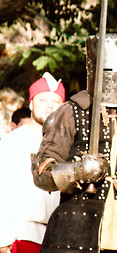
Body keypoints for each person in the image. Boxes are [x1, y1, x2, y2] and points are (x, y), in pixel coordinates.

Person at [31, 34, 117, 252]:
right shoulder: (71, 112)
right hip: (74, 231)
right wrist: (78, 171)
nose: (113, 77)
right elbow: (42, 174)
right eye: (108, 71)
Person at [0, 72, 64, 253]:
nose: (49, 106)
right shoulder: (14, 142)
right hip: (20, 237)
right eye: (43, 100)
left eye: (56, 101)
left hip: (56, 238)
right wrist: (3, 238)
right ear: (31, 104)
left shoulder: (67, 144)